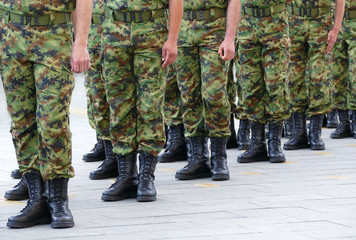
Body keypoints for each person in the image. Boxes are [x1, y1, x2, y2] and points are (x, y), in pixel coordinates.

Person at [0, 0, 92, 228]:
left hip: (53, 37)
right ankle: (35, 199)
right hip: (12, 36)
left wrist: (81, 43)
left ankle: (59, 200)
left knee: (53, 120)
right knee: (22, 121)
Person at [100, 0, 183, 202]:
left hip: (151, 33)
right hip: (114, 34)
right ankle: (126, 175)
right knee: (119, 107)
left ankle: (147, 177)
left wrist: (172, 40)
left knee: (150, 106)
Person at [174, 0, 240, 181]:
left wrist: (229, 38)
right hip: (183, 31)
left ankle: (219, 158)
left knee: (214, 94)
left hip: (214, 30)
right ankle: (198, 158)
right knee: (189, 95)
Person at [284, 0, 345, 151]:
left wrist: (336, 28)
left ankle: (315, 133)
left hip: (321, 22)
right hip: (294, 22)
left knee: (319, 77)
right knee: (293, 78)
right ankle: (299, 132)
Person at [237, 0, 290, 164]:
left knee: (276, 84)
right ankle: (257, 143)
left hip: (275, 23)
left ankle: (274, 142)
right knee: (250, 86)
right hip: (247, 25)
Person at [85, 0, 118, 180]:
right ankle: (107, 148)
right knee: (96, 93)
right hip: (94, 32)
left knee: (115, 97)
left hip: (116, 30)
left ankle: (118, 155)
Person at [329, 0, 355, 139]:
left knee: (355, 75)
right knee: (337, 75)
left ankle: (355, 121)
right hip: (338, 25)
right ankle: (343, 121)